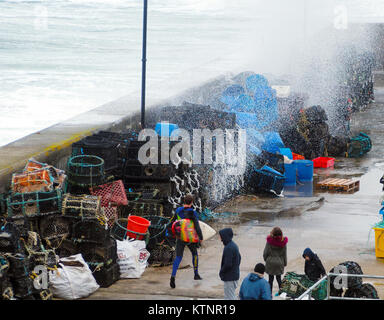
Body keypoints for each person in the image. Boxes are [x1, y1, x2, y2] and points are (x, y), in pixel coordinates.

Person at [169, 194, 203, 289]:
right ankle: (196, 274)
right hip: (191, 238)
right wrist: (201, 237)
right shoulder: (193, 213)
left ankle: (173, 276)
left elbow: (172, 221)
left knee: (178, 257)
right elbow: (197, 226)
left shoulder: (178, 210)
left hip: (180, 237)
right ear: (192, 202)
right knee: (195, 254)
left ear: (184, 201)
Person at [263, 227, 287, 293]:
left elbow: (265, 253)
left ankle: (269, 294)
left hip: (270, 262)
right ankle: (282, 293)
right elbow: (284, 254)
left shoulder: (269, 241)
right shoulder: (283, 242)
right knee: (279, 279)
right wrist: (284, 263)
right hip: (279, 262)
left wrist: (266, 259)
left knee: (270, 280)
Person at [219, 228, 241, 300]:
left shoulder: (229, 248)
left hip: (230, 277)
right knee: (231, 296)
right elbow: (239, 257)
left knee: (229, 298)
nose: (220, 237)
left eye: (221, 236)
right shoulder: (233, 245)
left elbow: (228, 264)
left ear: (225, 236)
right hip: (234, 275)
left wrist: (221, 271)